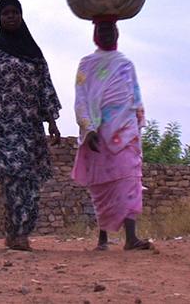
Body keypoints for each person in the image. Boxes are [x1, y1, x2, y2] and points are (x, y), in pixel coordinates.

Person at [0, 0, 62, 251]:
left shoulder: (34, 54)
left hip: (29, 126)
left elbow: (44, 88)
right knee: (11, 177)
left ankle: (19, 231)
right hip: (1, 125)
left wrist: (52, 122)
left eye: (14, 12)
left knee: (29, 181)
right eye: (5, 13)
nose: (10, 17)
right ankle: (16, 233)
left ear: (21, 15)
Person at [71, 17, 152, 251]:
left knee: (129, 180)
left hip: (126, 132)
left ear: (117, 33)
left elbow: (134, 95)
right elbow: (81, 97)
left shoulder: (125, 63)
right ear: (95, 34)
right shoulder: (86, 64)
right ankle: (103, 238)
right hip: (98, 133)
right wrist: (89, 128)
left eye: (111, 29)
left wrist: (137, 125)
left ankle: (131, 238)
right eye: (102, 30)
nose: (107, 34)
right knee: (102, 186)